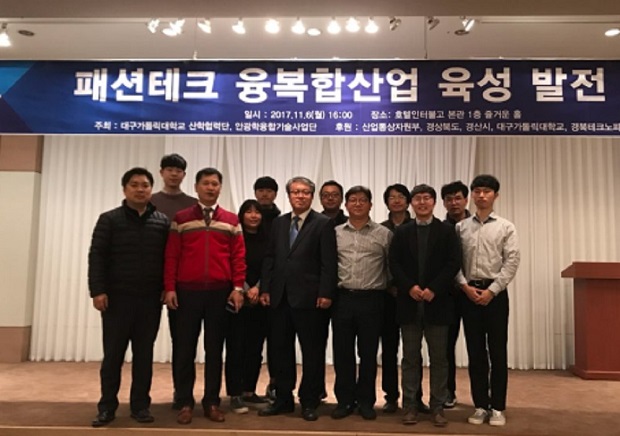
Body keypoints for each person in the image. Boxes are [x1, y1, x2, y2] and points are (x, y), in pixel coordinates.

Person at [163, 167, 246, 425]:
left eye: (215, 184)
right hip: (186, 293)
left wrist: (237, 288)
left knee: (214, 350)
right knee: (184, 349)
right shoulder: (181, 218)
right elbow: (172, 255)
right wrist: (170, 288)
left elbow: (238, 257)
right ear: (196, 187)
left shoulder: (231, 220)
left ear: (220, 188)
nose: (210, 188)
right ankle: (185, 402)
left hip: (219, 294)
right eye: (206, 183)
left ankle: (211, 402)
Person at [88, 167, 169, 427]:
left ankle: (140, 406)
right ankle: (106, 407)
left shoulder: (162, 222)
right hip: (117, 300)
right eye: (134, 185)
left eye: (145, 185)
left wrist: (166, 288)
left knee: (144, 356)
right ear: (124, 189)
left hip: (150, 301)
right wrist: (98, 290)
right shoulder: (109, 219)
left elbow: (168, 260)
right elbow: (97, 256)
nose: (140, 189)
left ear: (151, 189)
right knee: (113, 356)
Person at [258, 176, 338, 421]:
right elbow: (270, 257)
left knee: (312, 352)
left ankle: (309, 401)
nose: (300, 196)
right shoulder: (279, 223)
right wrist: (265, 288)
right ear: (289, 195)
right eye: (295, 192)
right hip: (280, 298)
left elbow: (328, 262)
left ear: (311, 196)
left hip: (311, 300)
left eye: (305, 192)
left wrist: (325, 293)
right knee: (280, 351)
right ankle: (283, 399)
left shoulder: (323, 223)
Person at [389, 184, 461, 427]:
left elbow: (453, 263)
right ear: (412, 203)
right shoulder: (402, 232)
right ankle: (410, 405)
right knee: (410, 358)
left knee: (439, 359)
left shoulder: (447, 231)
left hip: (438, 303)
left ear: (434, 202)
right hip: (408, 304)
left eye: (426, 198)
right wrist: (409, 287)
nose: (422, 202)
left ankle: (437, 407)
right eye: (417, 199)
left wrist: (434, 288)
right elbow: (394, 263)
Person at [456, 175, 520, 427]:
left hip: (496, 295)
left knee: (497, 352)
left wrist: (492, 291)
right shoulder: (461, 227)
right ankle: (480, 405)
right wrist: (465, 286)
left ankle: (498, 407)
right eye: (477, 191)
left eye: (487, 191)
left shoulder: (506, 227)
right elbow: (454, 262)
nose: (482, 195)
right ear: (472, 195)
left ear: (496, 195)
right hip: (468, 294)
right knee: (475, 352)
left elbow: (511, 261)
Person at [331, 186, 393, 421]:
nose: (357, 204)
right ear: (346, 205)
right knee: (342, 353)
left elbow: (391, 266)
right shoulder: (335, 232)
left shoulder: (384, 234)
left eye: (362, 200)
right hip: (343, 299)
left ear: (370, 205)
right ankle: (344, 401)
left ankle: (366, 401)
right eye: (353, 200)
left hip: (372, 300)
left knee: (368, 354)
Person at [150, 153, 196, 410]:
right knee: (145, 342)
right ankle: (140, 398)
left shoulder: (192, 205)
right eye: (169, 169)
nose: (174, 174)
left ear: (184, 175)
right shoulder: (150, 201)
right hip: (149, 280)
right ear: (161, 172)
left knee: (182, 342)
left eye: (178, 170)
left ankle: (182, 394)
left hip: (181, 283)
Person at [380, 184, 428, 414]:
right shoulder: (380, 229)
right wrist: (391, 285)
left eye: (401, 196)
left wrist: (410, 287)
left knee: (413, 351)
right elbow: (382, 263)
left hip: (414, 296)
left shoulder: (418, 225)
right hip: (388, 297)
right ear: (386, 202)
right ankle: (391, 396)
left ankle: (416, 397)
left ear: (408, 201)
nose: (397, 200)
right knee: (389, 349)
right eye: (392, 197)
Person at [224, 200, 271, 412]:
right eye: (249, 212)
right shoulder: (235, 236)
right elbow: (231, 263)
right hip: (238, 298)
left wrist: (258, 288)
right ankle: (235, 393)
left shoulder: (268, 238)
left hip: (260, 300)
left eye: (257, 212)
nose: (253, 216)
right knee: (236, 347)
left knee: (255, 348)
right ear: (241, 215)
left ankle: (249, 391)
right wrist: (244, 288)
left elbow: (270, 266)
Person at [440, 180, 471, 408]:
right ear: (443, 203)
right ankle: (447, 391)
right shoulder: (440, 229)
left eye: (458, 198)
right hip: (447, 296)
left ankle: (482, 395)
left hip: (473, 293)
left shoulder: (476, 225)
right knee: (445, 347)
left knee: (477, 345)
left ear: (466, 200)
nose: (454, 203)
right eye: (449, 199)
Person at [252, 175, 280, 400]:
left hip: (275, 291)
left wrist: (265, 286)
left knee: (277, 343)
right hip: (249, 291)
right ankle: (246, 389)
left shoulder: (282, 221)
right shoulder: (248, 219)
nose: (264, 194)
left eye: (269, 190)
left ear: (275, 194)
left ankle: (275, 385)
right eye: (260, 190)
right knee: (251, 343)